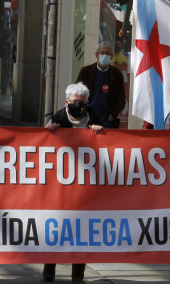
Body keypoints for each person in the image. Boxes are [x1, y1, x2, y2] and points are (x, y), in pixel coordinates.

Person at [43, 82, 103, 284]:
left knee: (82, 228)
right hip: (60, 184)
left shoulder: (93, 116)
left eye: (83, 102)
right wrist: (49, 130)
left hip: (85, 185)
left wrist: (98, 130)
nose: (79, 105)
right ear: (67, 102)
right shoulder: (59, 118)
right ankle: (49, 268)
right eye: (75, 101)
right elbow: (42, 144)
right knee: (56, 225)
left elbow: (107, 142)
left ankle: (78, 275)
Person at [75, 41, 125, 128]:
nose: (105, 55)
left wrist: (112, 115)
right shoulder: (86, 72)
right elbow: (76, 94)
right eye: (102, 53)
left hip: (108, 122)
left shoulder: (117, 74)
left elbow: (121, 99)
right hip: (87, 120)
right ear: (96, 55)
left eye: (107, 53)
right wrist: (82, 113)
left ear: (111, 56)